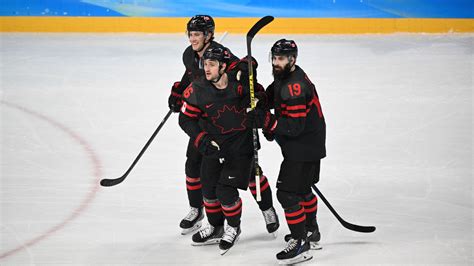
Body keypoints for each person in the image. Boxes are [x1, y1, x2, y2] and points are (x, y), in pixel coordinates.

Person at [168, 15, 279, 236]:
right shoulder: (189, 55)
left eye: (197, 34)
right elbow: (191, 75)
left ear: (208, 35)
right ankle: (197, 210)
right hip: (205, 122)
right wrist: (179, 90)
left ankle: (267, 208)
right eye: (190, 34)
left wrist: (249, 69)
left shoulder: (220, 54)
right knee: (193, 166)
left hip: (231, 121)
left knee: (249, 175)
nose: (192, 39)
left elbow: (241, 70)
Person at [179, 46, 264, 254]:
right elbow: (185, 119)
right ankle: (216, 227)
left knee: (225, 190)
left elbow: (259, 91)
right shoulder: (197, 89)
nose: (206, 69)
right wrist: (201, 138)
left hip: (240, 145)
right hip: (214, 145)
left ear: (223, 66)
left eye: (212, 65)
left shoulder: (239, 84)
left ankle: (233, 227)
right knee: (208, 190)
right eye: (205, 64)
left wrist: (257, 106)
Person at [256, 39, 326, 264]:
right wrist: (258, 98)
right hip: (310, 143)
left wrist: (269, 122)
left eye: (281, 59)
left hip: (304, 146)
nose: (276, 63)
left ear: (292, 60)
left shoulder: (293, 87)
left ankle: (300, 242)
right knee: (303, 189)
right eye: (274, 58)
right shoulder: (286, 76)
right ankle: (310, 231)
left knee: (286, 193)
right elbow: (273, 96)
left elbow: (294, 127)